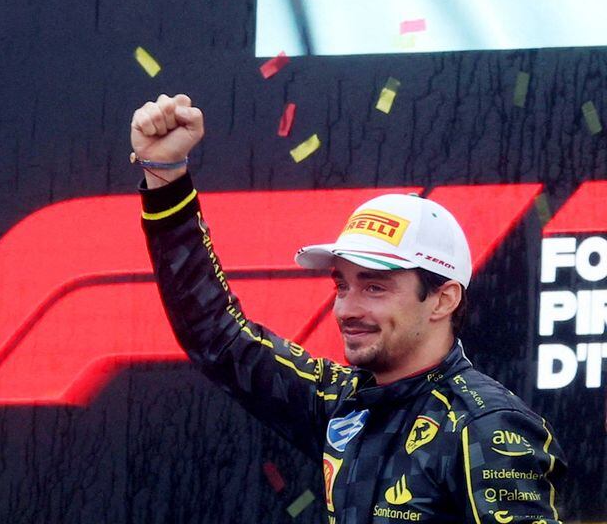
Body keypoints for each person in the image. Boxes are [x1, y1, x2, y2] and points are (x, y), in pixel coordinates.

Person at [132, 93, 566, 523]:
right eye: (342, 285)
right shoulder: (342, 402)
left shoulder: (486, 427)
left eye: (375, 287)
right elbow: (217, 335)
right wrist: (166, 176)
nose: (346, 309)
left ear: (442, 299)